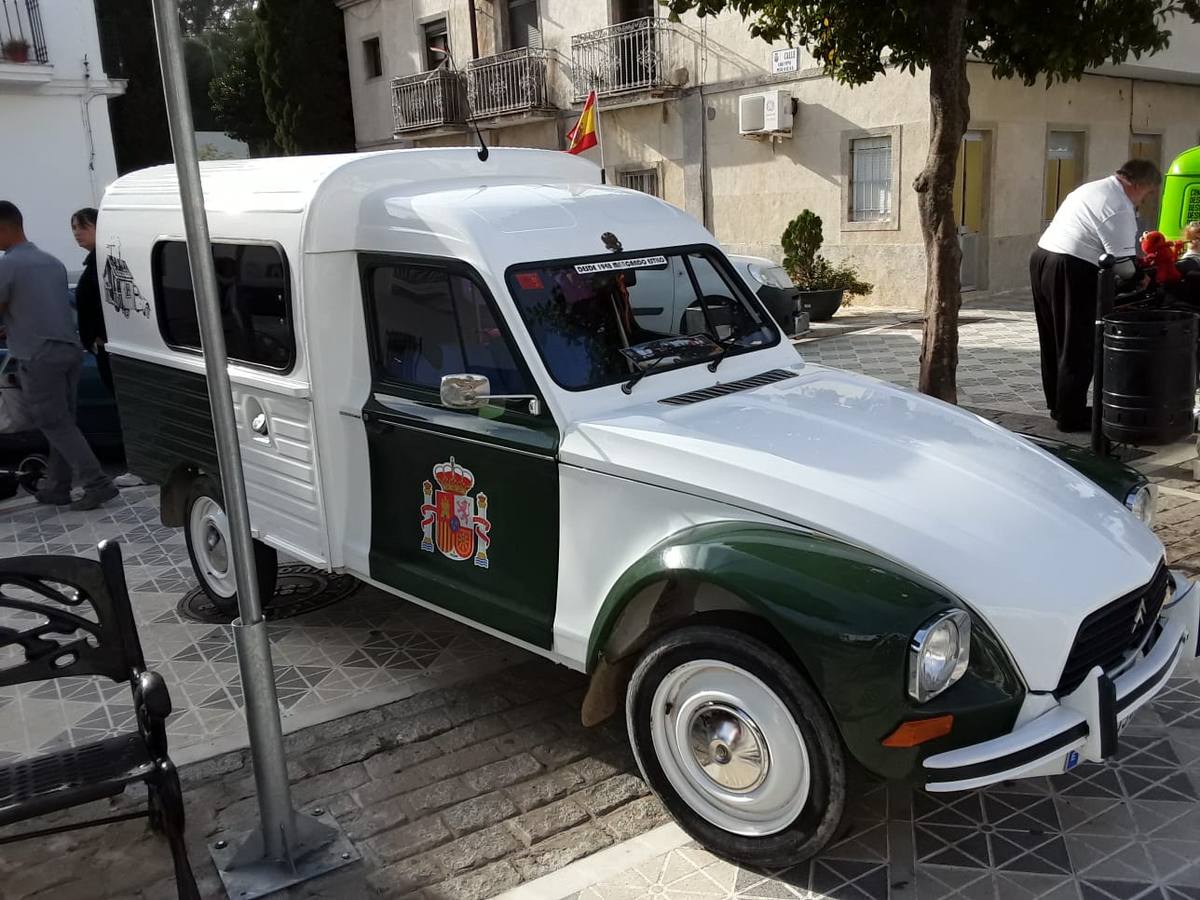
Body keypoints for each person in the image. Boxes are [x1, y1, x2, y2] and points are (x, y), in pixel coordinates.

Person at [0, 200, 117, 509]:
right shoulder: (51, 262)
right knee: (62, 423)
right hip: (69, 351)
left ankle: (97, 482)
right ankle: (58, 486)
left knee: (54, 424)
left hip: (39, 356)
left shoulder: (8, 265)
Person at [1029, 159, 1161, 432]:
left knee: (1054, 338)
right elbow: (1124, 266)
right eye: (1147, 194)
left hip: (1043, 257)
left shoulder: (1090, 189)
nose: (1144, 202)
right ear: (1138, 185)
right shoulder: (1119, 206)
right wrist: (1143, 278)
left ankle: (1059, 405)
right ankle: (1071, 416)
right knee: (1078, 342)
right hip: (1070, 266)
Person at [70, 207, 112, 395]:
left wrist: (99, 336)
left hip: (108, 346)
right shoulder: (95, 262)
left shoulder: (104, 261)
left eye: (83, 227)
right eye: (74, 228)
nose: (77, 233)